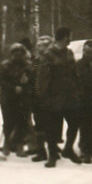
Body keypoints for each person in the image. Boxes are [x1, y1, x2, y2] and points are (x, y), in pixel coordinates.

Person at [35, 27, 81, 166]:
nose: (70, 39)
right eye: (69, 36)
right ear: (64, 38)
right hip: (53, 97)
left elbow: (74, 75)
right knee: (52, 128)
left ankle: (68, 149)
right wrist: (43, 97)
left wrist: (77, 91)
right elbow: (42, 79)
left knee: (74, 123)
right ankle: (52, 155)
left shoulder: (69, 53)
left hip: (70, 97)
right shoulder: (48, 56)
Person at [0, 43, 33, 156]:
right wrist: (13, 87)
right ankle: (7, 144)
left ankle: (19, 145)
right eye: (15, 53)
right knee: (8, 122)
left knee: (22, 122)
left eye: (20, 53)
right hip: (7, 98)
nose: (18, 56)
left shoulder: (28, 66)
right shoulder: (4, 65)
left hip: (22, 98)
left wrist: (26, 83)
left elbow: (32, 81)